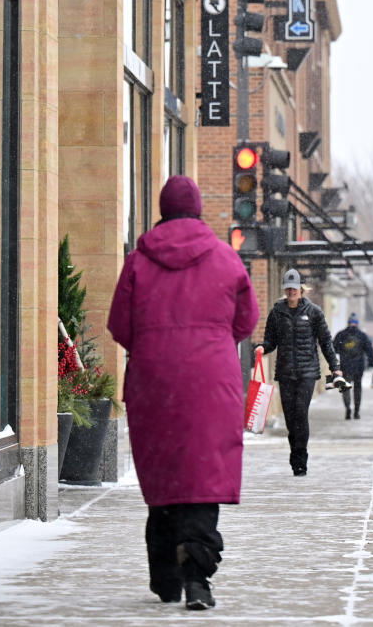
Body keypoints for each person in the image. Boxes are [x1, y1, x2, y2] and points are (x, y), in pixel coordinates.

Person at [107, 175, 259, 611]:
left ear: (162, 208)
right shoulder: (226, 259)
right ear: (197, 209)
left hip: (154, 378)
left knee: (165, 475)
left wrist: (156, 347)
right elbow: (245, 322)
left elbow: (120, 324)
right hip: (212, 380)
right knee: (203, 474)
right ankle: (197, 577)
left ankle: (165, 579)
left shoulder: (138, 260)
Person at [255, 269, 341, 476]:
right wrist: (262, 348)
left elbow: (325, 342)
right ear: (285, 290)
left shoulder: (314, 312)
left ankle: (300, 459)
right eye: (288, 288)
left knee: (301, 413)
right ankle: (296, 452)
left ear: (301, 289)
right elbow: (271, 340)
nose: (291, 291)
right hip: (285, 372)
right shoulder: (277, 312)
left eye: (295, 288)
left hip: (307, 372)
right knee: (291, 417)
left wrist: (335, 367)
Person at [332, 313, 373, 420]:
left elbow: (333, 349)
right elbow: (369, 350)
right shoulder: (362, 335)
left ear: (348, 323)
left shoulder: (341, 335)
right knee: (358, 389)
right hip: (359, 367)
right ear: (357, 324)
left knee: (345, 388)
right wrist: (371, 363)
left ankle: (347, 408)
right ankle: (357, 411)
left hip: (345, 366)